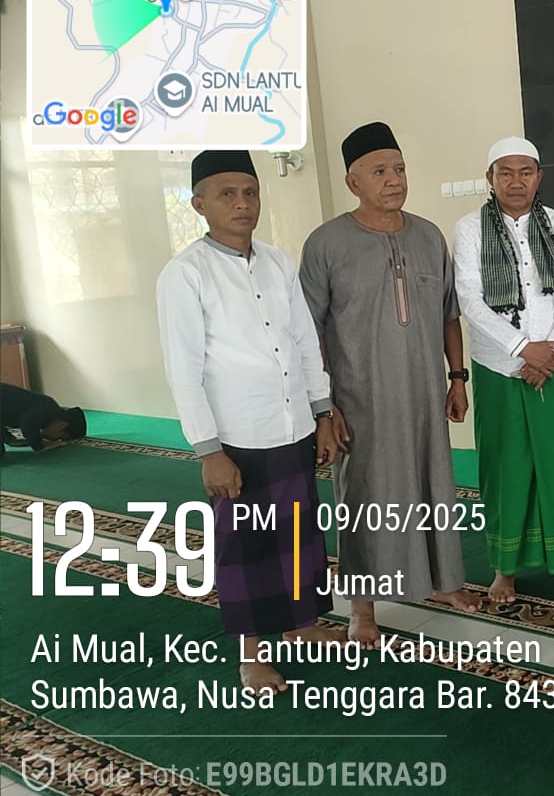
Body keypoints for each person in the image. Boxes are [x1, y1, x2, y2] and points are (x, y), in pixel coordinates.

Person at [156, 150, 339, 693]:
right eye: (227, 193)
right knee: (246, 546)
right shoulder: (185, 274)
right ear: (199, 204)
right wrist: (208, 450)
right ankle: (251, 654)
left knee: (300, 534)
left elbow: (304, 341)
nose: (242, 203)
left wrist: (322, 413)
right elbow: (183, 369)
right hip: (237, 437)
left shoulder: (278, 263)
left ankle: (302, 623)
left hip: (293, 425)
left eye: (250, 192)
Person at [299, 121, 479, 650]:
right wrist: (325, 406)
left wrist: (457, 378)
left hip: (424, 394)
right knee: (364, 497)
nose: (394, 179)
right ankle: (362, 608)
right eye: (379, 171)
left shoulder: (428, 236)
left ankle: (444, 582)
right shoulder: (327, 243)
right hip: (361, 400)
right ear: (353, 182)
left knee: (433, 484)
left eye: (399, 168)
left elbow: (449, 314)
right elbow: (307, 330)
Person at [453, 136, 554, 602]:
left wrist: (550, 351)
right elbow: (470, 297)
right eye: (505, 173)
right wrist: (520, 348)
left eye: (525, 172)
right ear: (490, 178)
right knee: (505, 465)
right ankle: (504, 568)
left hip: (553, 362)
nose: (516, 182)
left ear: (539, 177)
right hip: (499, 366)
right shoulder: (469, 229)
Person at [0, 383, 86, 458]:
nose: (56, 439)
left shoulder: (49, 409)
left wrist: (9, 439)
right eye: (61, 437)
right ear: (62, 425)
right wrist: (40, 446)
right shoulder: (45, 410)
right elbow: (27, 423)